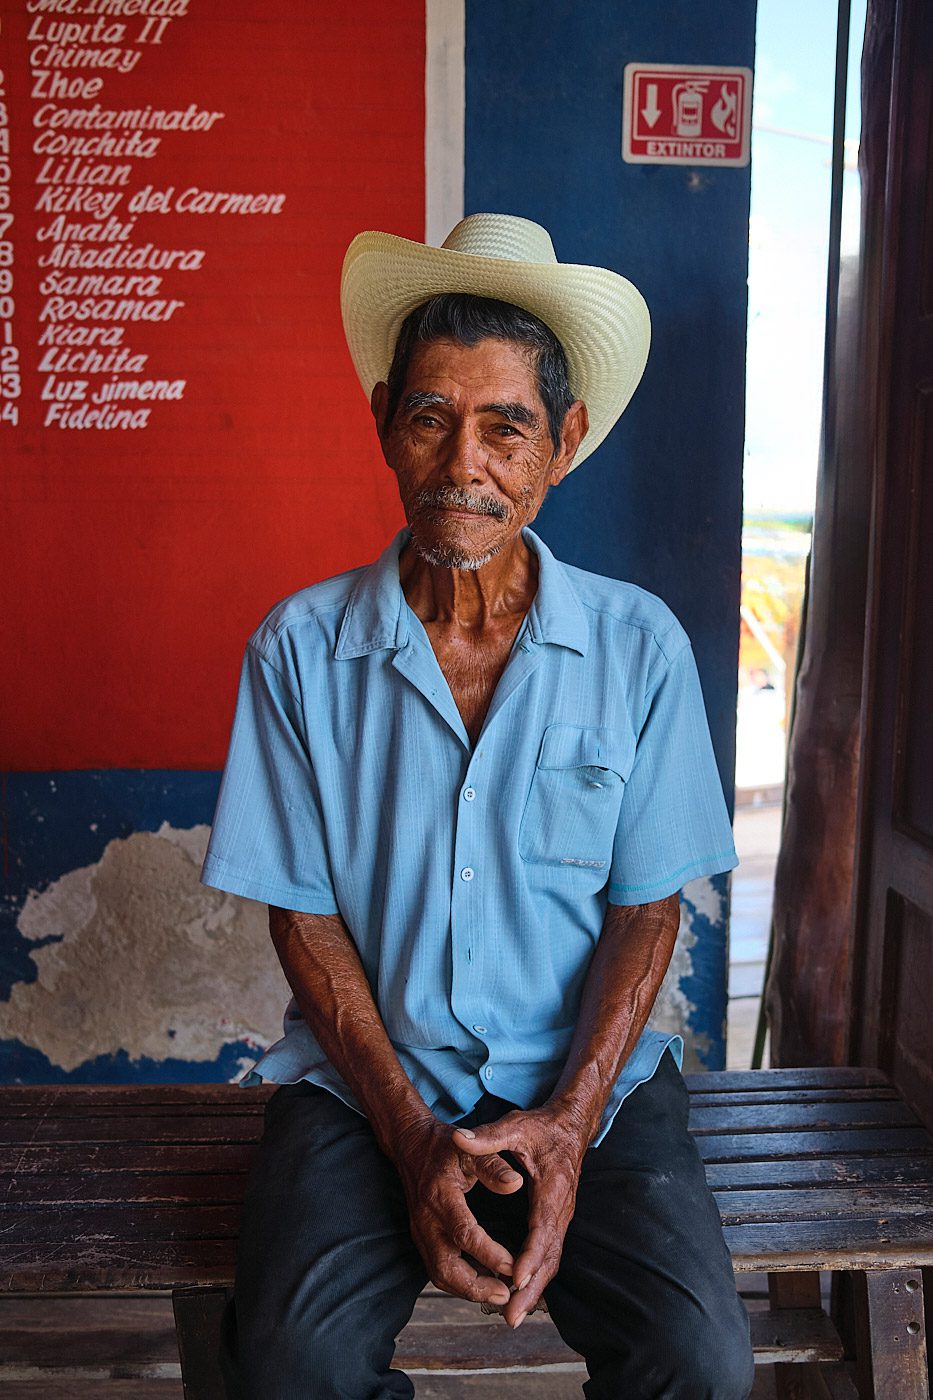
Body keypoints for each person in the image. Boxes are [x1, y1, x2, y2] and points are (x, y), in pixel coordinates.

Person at [202, 213, 754, 1400]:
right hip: (369, 1087)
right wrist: (406, 1133)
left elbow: (647, 908)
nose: (465, 463)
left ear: (565, 442)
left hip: (590, 1089)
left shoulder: (639, 646)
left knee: (702, 1362)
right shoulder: (299, 650)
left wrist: (566, 1120)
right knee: (290, 1366)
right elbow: (302, 917)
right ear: (384, 428)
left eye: (506, 427)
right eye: (430, 418)